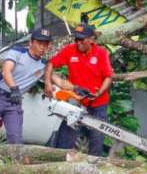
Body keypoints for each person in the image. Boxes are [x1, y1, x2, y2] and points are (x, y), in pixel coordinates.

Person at [0, 27, 57, 144]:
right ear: (31, 42)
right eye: (39, 43)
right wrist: (14, 88)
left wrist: (76, 88)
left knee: (16, 139)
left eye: (45, 44)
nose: (42, 47)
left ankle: (16, 160)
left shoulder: (43, 65)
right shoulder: (17, 52)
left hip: (14, 102)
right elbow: (6, 71)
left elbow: (58, 80)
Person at [44, 23, 113, 156]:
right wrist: (48, 82)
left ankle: (94, 167)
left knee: (97, 137)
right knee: (67, 135)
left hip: (98, 103)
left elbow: (108, 77)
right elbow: (51, 63)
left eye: (81, 39)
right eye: (76, 39)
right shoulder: (70, 50)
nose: (78, 42)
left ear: (91, 39)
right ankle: (59, 163)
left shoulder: (101, 53)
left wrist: (98, 93)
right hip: (77, 101)